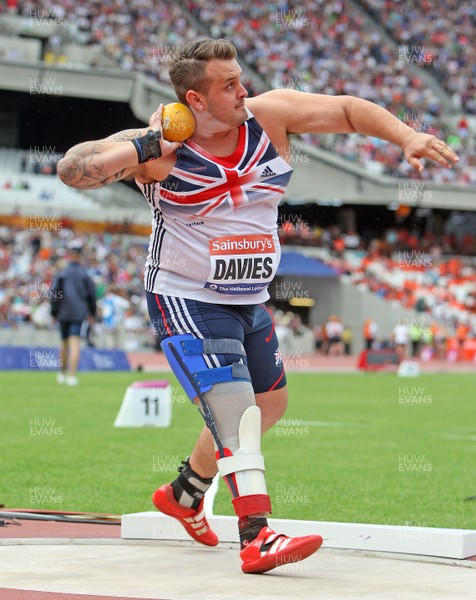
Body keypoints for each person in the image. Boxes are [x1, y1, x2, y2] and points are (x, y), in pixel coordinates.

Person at [56, 38, 459, 573]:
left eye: (240, 77)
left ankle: (184, 492)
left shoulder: (267, 118)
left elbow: (344, 109)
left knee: (269, 407)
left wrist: (405, 135)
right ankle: (256, 535)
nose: (243, 89)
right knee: (238, 411)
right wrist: (149, 142)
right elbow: (72, 168)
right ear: (194, 100)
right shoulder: (162, 152)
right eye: (228, 84)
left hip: (249, 298)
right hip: (187, 298)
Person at [51, 242, 97, 386]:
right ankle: (72, 376)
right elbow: (91, 295)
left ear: (70, 255)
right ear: (80, 256)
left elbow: (55, 294)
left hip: (63, 312)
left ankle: (61, 374)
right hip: (78, 312)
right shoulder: (84, 275)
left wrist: (54, 312)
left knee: (64, 343)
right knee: (75, 342)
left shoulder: (62, 273)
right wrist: (92, 313)